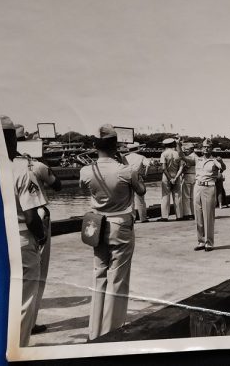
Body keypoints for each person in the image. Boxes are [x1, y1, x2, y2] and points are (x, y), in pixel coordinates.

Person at [80, 124, 146, 340]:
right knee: (117, 278)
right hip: (121, 227)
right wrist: (124, 162)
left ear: (94, 145)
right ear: (116, 145)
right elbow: (141, 190)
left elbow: (86, 188)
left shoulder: (86, 170)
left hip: (96, 226)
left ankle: (94, 330)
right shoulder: (126, 170)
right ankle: (112, 332)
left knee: (99, 275)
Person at [2, 116, 48, 347]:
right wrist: (41, 237)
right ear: (11, 139)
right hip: (20, 237)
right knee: (24, 301)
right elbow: (31, 216)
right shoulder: (21, 171)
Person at [15, 124, 62, 336]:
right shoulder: (34, 166)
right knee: (38, 272)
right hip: (34, 218)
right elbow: (58, 185)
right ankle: (30, 322)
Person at [194, 140, 224, 251]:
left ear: (211, 149)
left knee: (208, 216)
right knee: (198, 215)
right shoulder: (197, 159)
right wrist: (178, 144)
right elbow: (182, 157)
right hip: (197, 187)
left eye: (208, 147)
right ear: (201, 148)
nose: (206, 149)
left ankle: (209, 242)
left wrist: (221, 162)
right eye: (204, 147)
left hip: (209, 187)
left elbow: (222, 167)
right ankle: (200, 241)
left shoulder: (215, 160)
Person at [125, 143, 151, 223]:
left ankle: (132, 218)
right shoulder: (141, 157)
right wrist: (145, 173)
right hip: (138, 177)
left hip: (128, 178)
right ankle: (143, 218)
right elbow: (148, 164)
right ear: (137, 149)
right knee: (140, 199)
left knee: (130, 200)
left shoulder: (125, 158)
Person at [159, 138, 183, 221]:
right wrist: (175, 178)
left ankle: (165, 216)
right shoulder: (178, 154)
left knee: (165, 196)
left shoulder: (164, 154)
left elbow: (164, 168)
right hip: (176, 175)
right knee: (177, 196)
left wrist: (170, 179)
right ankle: (179, 216)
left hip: (166, 177)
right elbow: (181, 167)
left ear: (165, 145)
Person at [180, 143, 198, 220]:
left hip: (188, 175)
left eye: (187, 149)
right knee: (193, 196)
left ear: (192, 149)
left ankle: (187, 214)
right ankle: (194, 213)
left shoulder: (190, 157)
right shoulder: (197, 156)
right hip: (194, 176)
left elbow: (185, 168)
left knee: (186, 196)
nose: (186, 151)